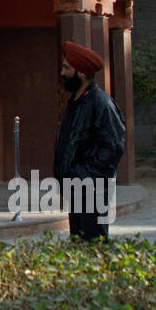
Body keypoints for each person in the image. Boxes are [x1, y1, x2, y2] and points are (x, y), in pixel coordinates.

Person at [53, 40, 126, 240]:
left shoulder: (101, 104)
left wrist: (83, 174)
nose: (62, 73)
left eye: (67, 68)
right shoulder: (75, 103)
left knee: (94, 246)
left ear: (83, 73)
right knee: (79, 246)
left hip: (93, 189)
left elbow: (113, 147)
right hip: (77, 189)